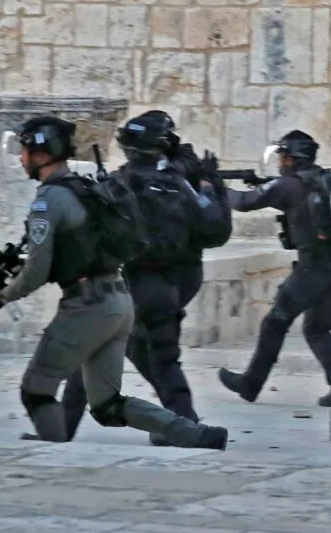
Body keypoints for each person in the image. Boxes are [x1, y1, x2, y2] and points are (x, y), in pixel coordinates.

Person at [0, 115, 227, 449]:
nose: (21, 158)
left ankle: (51, 454)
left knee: (37, 389)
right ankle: (192, 432)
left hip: (92, 302)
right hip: (126, 298)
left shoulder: (57, 198)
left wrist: (2, 296)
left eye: (25, 150)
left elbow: (38, 270)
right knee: (109, 402)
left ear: (41, 153)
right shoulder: (93, 188)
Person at [54, 111, 228, 445]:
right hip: (178, 285)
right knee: (159, 357)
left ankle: (60, 430)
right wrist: (208, 182)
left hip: (136, 283)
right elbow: (213, 230)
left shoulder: (121, 183)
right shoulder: (182, 181)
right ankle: (184, 427)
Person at [218, 130, 331, 407]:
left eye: (283, 156)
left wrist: (215, 188)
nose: (280, 161)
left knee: (274, 323)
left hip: (312, 267)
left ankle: (250, 384)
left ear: (292, 159)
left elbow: (245, 203)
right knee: (317, 328)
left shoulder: (289, 185)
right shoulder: (323, 180)